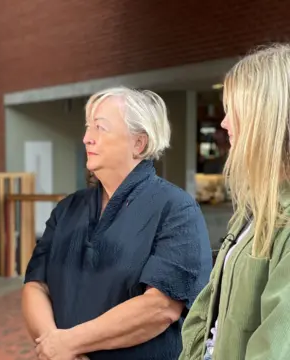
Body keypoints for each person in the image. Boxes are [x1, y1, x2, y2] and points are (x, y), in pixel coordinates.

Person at [22, 86, 213, 360]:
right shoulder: (67, 209)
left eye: (100, 128)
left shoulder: (176, 208)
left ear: (139, 143)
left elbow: (160, 308)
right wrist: (55, 347)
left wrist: (69, 344)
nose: (87, 138)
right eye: (88, 128)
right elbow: (35, 284)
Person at [180, 44, 290, 360]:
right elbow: (208, 315)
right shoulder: (254, 211)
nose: (225, 124)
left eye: (234, 109)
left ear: (265, 116)